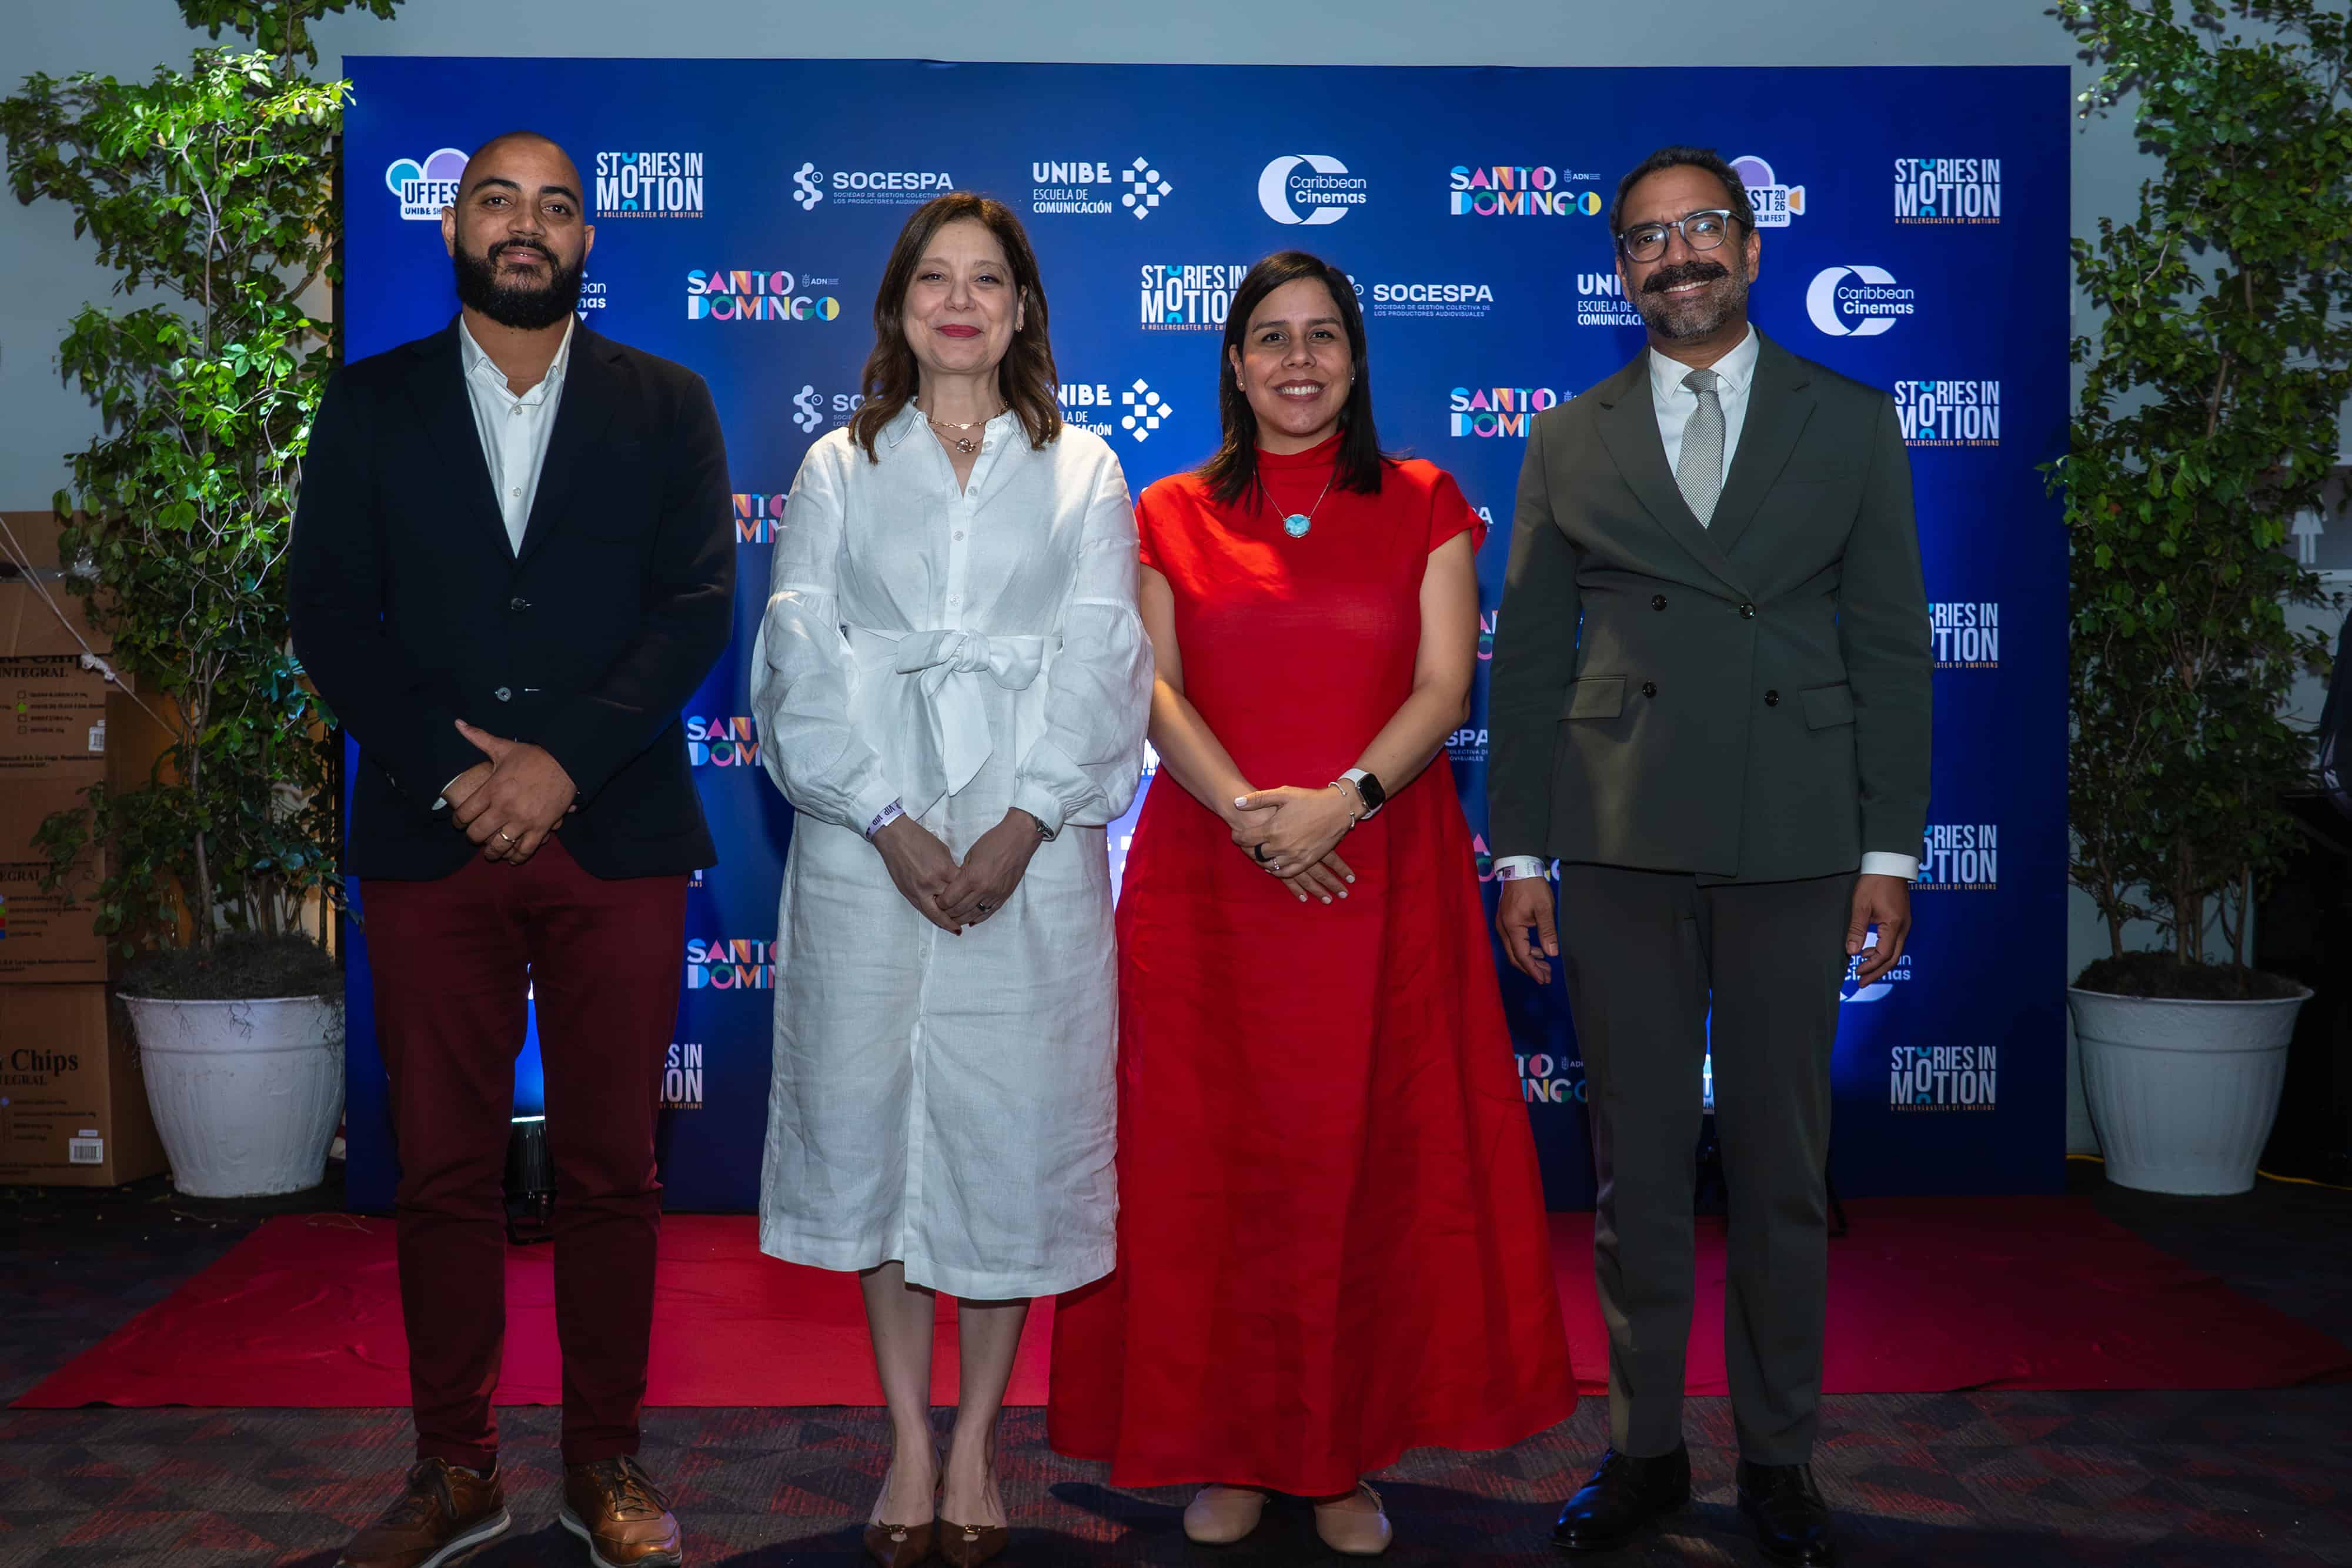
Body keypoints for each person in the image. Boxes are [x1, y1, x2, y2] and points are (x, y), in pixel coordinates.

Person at [1047, 250, 1577, 1559]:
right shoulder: (1163, 509)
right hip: (1210, 886)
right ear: (1231, 363)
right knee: (1207, 1176)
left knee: (1362, 1175)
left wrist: (1341, 799)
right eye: (1270, 339)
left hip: (1375, 883)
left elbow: (1447, 685)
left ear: (1354, 356)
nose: (1297, 361)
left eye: (1321, 337)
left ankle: (1335, 1453)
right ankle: (1227, 1441)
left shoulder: (1423, 499)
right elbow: (1150, 690)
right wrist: (1247, 812)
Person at [290, 131, 733, 1568]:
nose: (525, 226)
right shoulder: (369, 405)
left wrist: (560, 764)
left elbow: (694, 608)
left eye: (555, 206)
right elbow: (331, 616)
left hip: (618, 834)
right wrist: (454, 770)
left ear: (588, 239)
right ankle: (454, 1464)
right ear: (455, 227)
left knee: (612, 1168)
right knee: (442, 1169)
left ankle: (603, 1460)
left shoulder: (667, 403)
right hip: (433, 837)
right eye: (499, 200)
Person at [1488, 145, 1932, 1567]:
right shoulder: (1569, 435)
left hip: (1797, 838)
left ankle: (1780, 1457)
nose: (1672, 258)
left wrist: (1888, 847)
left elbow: (1887, 648)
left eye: (1698, 233)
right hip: (1616, 838)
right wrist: (1519, 856)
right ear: (1618, 269)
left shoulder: (1850, 421)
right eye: (1642, 241)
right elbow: (1530, 662)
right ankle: (1642, 1449)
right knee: (1632, 1179)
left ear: (1748, 250)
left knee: (1780, 1164)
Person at [749, 192, 1149, 1568]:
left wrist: (1022, 822)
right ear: (900, 305)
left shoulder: (1085, 468)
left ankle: (978, 1432)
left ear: (1023, 308)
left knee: (1006, 1142)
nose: (961, 301)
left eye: (989, 280)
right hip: (871, 851)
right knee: (876, 1135)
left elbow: (1103, 657)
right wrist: (889, 819)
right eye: (936, 278)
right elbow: (796, 656)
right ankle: (905, 1437)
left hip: (1030, 849)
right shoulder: (836, 468)